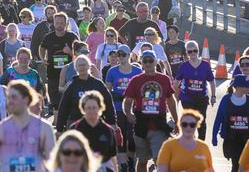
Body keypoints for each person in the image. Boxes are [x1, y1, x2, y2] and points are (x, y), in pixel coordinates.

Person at [123, 50, 178, 172]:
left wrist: (176, 120)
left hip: (159, 125)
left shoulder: (164, 79)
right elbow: (128, 101)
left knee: (160, 160)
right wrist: (128, 114)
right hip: (141, 125)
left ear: (156, 62)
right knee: (142, 161)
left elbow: (171, 100)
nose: (148, 64)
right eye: (145, 61)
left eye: (150, 61)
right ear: (141, 63)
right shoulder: (136, 80)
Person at [0, 80, 55, 172]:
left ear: (26, 99)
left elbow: (52, 162)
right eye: (8, 98)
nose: (10, 101)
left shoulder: (44, 127)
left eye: (14, 97)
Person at [212, 74, 249, 172]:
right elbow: (219, 118)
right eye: (247, 86)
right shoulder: (226, 99)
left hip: (248, 139)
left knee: (248, 164)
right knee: (236, 163)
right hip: (231, 139)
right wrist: (214, 136)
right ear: (238, 86)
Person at [104, 44, 142, 172]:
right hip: (117, 108)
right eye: (118, 55)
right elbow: (107, 92)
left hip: (133, 109)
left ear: (129, 55)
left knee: (132, 138)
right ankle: (123, 164)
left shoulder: (137, 71)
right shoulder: (112, 71)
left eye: (123, 55)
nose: (121, 57)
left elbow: (142, 91)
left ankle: (131, 160)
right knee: (120, 137)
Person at [56, 55, 116, 132]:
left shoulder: (98, 84)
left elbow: (109, 104)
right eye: (79, 65)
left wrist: (113, 123)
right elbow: (63, 108)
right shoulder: (72, 86)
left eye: (84, 65)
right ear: (76, 68)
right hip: (76, 126)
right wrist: (59, 129)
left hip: (96, 125)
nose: (82, 67)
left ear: (89, 66)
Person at [173, 40, 217, 141]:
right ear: (186, 53)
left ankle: (201, 143)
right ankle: (189, 141)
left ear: (198, 51)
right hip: (187, 97)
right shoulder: (184, 66)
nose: (193, 53)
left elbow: (211, 81)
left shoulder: (205, 65)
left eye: (195, 51)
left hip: (202, 98)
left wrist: (213, 96)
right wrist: (176, 97)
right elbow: (176, 83)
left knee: (201, 121)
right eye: (190, 51)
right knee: (189, 120)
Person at [40, 12, 77, 119]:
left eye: (62, 23)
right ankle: (57, 122)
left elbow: (80, 54)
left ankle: (66, 120)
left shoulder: (72, 37)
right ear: (54, 23)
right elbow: (42, 48)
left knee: (69, 99)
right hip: (53, 72)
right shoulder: (48, 37)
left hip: (69, 74)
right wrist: (43, 59)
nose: (59, 25)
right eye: (57, 23)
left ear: (66, 23)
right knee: (55, 100)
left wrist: (70, 52)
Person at [70, 90, 118, 171]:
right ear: (83, 109)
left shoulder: (108, 130)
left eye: (94, 108)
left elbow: (112, 157)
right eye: (88, 108)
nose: (91, 111)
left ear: (100, 108)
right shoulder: (75, 128)